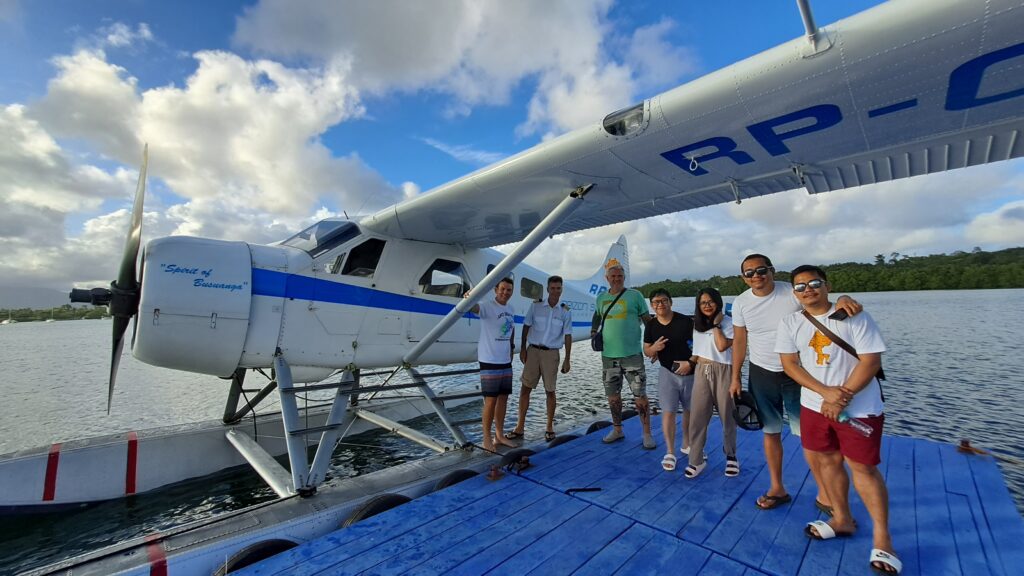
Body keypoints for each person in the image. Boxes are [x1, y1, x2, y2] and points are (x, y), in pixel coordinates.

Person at [775, 265, 900, 575]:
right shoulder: (791, 322)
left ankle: (883, 537)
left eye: (814, 283)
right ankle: (841, 517)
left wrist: (840, 396)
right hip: (814, 405)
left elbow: (871, 361)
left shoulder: (853, 315)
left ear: (827, 286)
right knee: (826, 461)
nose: (808, 290)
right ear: (794, 293)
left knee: (863, 468)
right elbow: (790, 364)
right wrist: (824, 393)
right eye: (801, 286)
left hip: (859, 408)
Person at [730, 254, 861, 511]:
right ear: (743, 278)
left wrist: (843, 301)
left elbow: (821, 306)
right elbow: (740, 341)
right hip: (762, 372)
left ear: (772, 270)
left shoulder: (791, 292)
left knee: (810, 436)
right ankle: (777, 488)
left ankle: (824, 493)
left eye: (761, 270)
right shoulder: (741, 303)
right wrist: (735, 377)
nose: (756, 276)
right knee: (771, 431)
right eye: (749, 272)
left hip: (799, 373)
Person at [591, 259, 656, 448]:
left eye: (620, 276)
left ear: (624, 277)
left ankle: (647, 433)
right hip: (609, 356)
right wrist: (593, 332)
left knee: (639, 394)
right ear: (607, 278)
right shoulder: (601, 298)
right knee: (613, 396)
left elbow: (647, 321)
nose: (616, 279)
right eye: (613, 276)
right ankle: (618, 429)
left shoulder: (635, 296)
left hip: (632, 354)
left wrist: (652, 346)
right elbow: (596, 315)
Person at [507, 275, 573, 442]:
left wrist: (567, 359)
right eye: (553, 288)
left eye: (558, 288)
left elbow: (567, 335)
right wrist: (523, 349)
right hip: (533, 351)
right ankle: (520, 427)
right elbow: (526, 326)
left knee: (550, 391)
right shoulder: (536, 306)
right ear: (547, 289)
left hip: (551, 354)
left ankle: (549, 426)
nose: (555, 291)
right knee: (525, 389)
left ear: (561, 289)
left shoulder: (565, 311)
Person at [687, 287, 737, 478]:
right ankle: (696, 459)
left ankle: (731, 456)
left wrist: (716, 326)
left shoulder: (729, 323)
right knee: (698, 417)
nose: (707, 306)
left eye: (710, 302)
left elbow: (722, 346)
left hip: (723, 369)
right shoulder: (697, 325)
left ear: (718, 302)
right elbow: (697, 352)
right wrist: (688, 364)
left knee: (727, 415)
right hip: (701, 370)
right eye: (702, 303)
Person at [642, 288, 695, 471]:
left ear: (671, 302)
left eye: (664, 301)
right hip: (667, 372)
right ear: (652, 306)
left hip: (690, 372)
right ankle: (670, 451)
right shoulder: (651, 325)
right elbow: (646, 350)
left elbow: (699, 346)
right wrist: (654, 348)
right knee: (668, 412)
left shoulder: (686, 321)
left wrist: (690, 363)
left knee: (690, 410)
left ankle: (687, 444)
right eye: (656, 302)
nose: (660, 305)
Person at [466, 278, 516, 452]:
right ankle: (486, 438)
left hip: (505, 360)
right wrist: (469, 299)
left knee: (503, 398)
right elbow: (473, 307)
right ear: (496, 290)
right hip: (489, 359)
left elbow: (511, 328)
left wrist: (511, 347)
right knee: (490, 401)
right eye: (502, 289)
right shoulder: (487, 306)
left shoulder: (510, 309)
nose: (505, 292)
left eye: (509, 290)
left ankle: (499, 435)